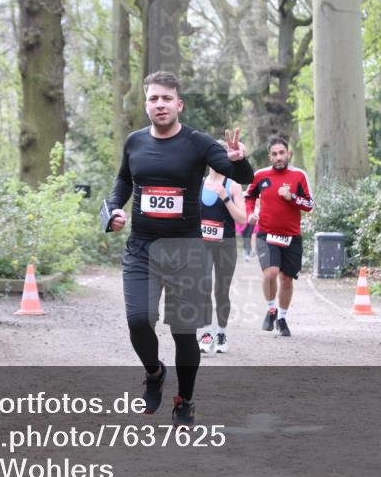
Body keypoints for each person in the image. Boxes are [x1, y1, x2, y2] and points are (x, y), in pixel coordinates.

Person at [106, 71, 254, 426]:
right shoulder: (134, 142)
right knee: (139, 321)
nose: (160, 104)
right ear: (146, 103)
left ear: (179, 104)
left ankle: (184, 400)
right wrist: (114, 207)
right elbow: (124, 180)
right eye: (154, 98)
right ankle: (155, 372)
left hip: (187, 252)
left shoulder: (198, 143)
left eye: (166, 98)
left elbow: (244, 177)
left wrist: (237, 160)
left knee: (183, 332)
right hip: (142, 249)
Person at [244, 137, 314, 337]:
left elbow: (310, 205)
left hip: (291, 236)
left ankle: (282, 318)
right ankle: (271, 308)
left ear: (288, 154)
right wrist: (250, 214)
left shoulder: (299, 176)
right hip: (266, 234)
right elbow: (249, 196)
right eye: (274, 154)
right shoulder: (260, 176)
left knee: (287, 280)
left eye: (282, 153)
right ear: (270, 156)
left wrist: (291, 197)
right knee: (271, 273)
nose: (278, 157)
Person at [198, 146, 248, 355]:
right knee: (203, 286)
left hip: (225, 244)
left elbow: (242, 219)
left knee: (221, 290)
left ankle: (221, 333)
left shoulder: (233, 186)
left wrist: (225, 198)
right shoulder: (198, 184)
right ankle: (207, 333)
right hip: (201, 245)